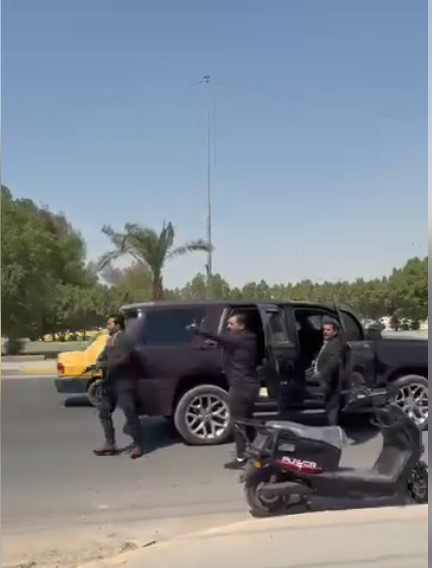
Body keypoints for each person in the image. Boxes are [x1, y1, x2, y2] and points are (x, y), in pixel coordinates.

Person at [187, 312, 260, 470]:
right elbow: (224, 342)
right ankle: (256, 451)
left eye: (231, 324)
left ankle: (241, 458)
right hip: (249, 385)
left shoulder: (240, 339)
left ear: (241, 326)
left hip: (241, 386)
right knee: (247, 420)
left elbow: (221, 338)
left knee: (238, 422)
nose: (228, 326)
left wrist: (199, 331)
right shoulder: (247, 338)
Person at [93, 313, 144, 459]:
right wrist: (99, 360)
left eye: (110, 323)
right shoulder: (110, 340)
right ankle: (110, 444)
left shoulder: (126, 339)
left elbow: (124, 359)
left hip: (124, 381)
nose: (107, 326)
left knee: (129, 412)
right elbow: (104, 354)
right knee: (104, 410)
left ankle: (138, 445)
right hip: (110, 381)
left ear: (118, 325)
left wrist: (105, 365)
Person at [312, 317, 343, 425]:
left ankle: (334, 431)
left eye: (328, 330)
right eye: (324, 329)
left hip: (330, 382)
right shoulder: (328, 343)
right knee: (328, 408)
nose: (325, 332)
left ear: (335, 332)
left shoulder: (335, 344)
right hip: (324, 381)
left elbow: (333, 363)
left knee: (332, 410)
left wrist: (322, 374)